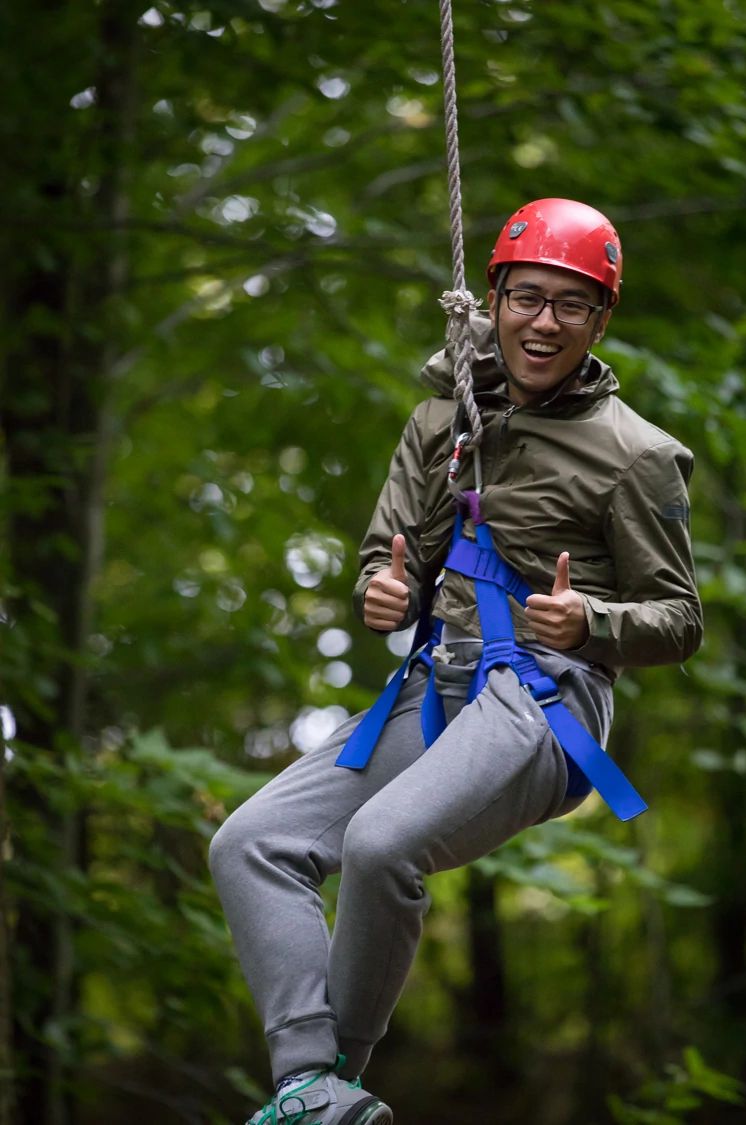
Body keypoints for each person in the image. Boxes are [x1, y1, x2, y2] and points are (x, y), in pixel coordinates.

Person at [209, 198, 703, 1125]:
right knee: (251, 843)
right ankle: (305, 1082)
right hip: (439, 685)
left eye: (570, 305)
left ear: (601, 321)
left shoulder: (634, 455)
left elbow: (679, 619)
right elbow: (385, 557)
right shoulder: (446, 419)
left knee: (381, 843)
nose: (544, 321)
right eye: (526, 298)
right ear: (495, 299)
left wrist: (588, 619)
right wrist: (380, 593)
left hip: (546, 698)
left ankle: (333, 1089)